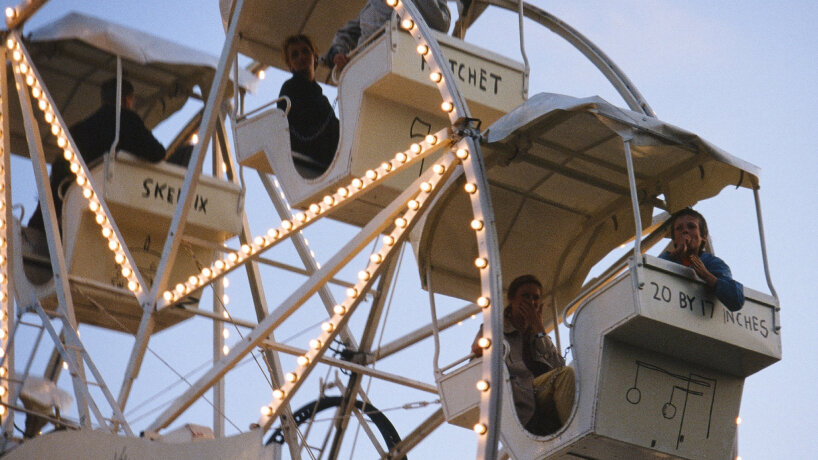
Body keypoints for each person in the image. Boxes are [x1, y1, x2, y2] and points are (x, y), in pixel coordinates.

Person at [28, 78, 167, 231]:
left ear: (102, 100)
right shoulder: (128, 121)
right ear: (128, 99)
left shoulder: (79, 130)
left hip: (69, 201)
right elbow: (158, 153)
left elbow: (58, 168)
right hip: (110, 200)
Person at [472, 275, 575, 435]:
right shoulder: (495, 329)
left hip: (542, 390)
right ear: (512, 299)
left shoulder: (536, 333)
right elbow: (475, 357)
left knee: (573, 374)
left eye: (535, 298)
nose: (531, 302)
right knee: (566, 375)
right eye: (525, 296)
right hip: (519, 393)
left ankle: (571, 428)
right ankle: (574, 431)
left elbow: (558, 366)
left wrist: (539, 330)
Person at [327, 0, 451, 72]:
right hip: (367, 70)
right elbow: (348, 32)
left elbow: (441, 24)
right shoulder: (373, 4)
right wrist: (338, 52)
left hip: (409, 68)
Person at [659, 208, 745, 311]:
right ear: (674, 239)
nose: (685, 231)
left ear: (703, 237)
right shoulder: (666, 259)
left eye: (691, 226)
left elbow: (736, 300)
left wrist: (706, 276)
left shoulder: (713, 263)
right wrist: (675, 254)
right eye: (679, 228)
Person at [278, 35, 340, 171]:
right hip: (308, 154)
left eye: (305, 51)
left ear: (314, 56)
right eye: (295, 55)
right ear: (290, 65)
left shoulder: (321, 97)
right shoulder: (289, 90)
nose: (301, 57)